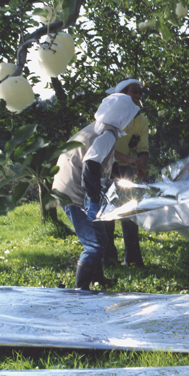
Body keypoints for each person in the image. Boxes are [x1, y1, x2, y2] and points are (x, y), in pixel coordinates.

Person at [52, 92, 140, 290]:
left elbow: (105, 162)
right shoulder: (106, 134)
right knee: (94, 242)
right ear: (122, 115)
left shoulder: (99, 129)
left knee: (100, 237)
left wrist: (122, 181)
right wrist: (93, 200)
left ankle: (98, 278)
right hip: (73, 192)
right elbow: (91, 164)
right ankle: (80, 289)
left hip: (66, 186)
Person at [102, 78, 150, 268]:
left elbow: (143, 149)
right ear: (122, 95)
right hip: (106, 167)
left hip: (125, 169)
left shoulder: (141, 120)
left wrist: (142, 167)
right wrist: (131, 160)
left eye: (140, 92)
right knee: (108, 214)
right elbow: (103, 147)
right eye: (133, 92)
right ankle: (108, 259)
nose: (138, 96)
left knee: (129, 212)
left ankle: (133, 259)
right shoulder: (109, 116)